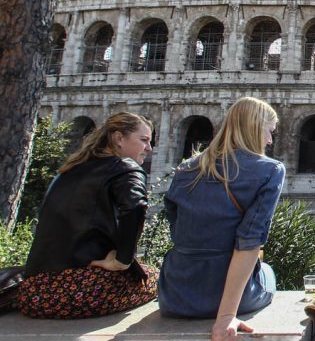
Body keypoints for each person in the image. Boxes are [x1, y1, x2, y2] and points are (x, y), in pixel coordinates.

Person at [158, 97, 285, 341]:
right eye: (269, 131)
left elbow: (176, 227)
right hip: (225, 296)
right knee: (267, 271)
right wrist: (226, 317)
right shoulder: (269, 170)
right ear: (254, 128)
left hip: (175, 294)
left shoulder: (185, 168)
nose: (270, 140)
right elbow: (249, 242)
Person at [18, 112, 157, 318]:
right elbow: (135, 207)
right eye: (144, 140)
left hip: (33, 291)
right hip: (78, 290)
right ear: (119, 138)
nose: (149, 148)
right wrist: (123, 259)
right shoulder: (126, 168)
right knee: (154, 277)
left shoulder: (69, 168)